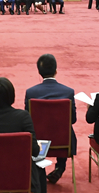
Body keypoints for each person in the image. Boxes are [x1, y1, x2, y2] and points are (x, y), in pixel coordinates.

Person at [0, 78, 45, 193]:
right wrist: (38, 146)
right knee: (40, 168)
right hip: (20, 171)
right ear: (12, 95)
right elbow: (35, 151)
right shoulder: (23, 116)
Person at [24, 54, 76, 184]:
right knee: (64, 128)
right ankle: (61, 166)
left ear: (39, 72)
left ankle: (38, 168)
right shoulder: (68, 92)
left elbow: (28, 121)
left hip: (38, 141)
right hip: (63, 141)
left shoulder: (31, 92)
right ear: (56, 70)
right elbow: (73, 120)